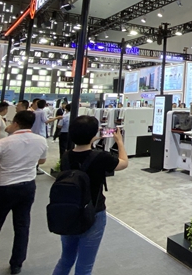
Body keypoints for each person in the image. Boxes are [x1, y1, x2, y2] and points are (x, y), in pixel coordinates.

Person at [0, 110, 48, 275]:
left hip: (4, 188)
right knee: (22, 226)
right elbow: (42, 160)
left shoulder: (3, 143)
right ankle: (17, 264)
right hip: (27, 187)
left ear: (15, 123)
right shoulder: (41, 140)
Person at [52, 116, 129, 275]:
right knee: (85, 266)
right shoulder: (101, 157)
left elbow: (82, 153)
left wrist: (90, 139)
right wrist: (119, 142)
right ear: (93, 134)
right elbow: (123, 163)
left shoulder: (66, 156)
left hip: (69, 211)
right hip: (93, 212)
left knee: (66, 259)